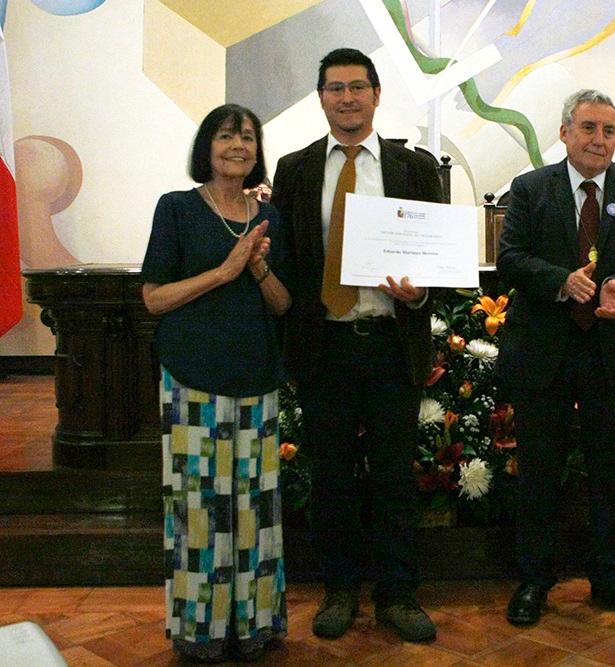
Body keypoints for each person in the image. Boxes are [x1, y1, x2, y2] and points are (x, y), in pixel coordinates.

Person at [270, 48, 443, 643]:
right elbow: (289, 265)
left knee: (396, 477)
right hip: (326, 347)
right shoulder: (293, 171)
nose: (347, 98)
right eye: (335, 88)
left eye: (357, 87)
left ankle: (398, 594)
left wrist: (419, 293)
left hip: (392, 343)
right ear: (321, 98)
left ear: (376, 94)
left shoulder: (414, 168)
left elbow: (437, 262)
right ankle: (339, 590)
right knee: (332, 478)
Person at [496, 89, 615, 626]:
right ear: (565, 131)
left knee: (608, 472)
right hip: (544, 353)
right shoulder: (529, 189)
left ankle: (610, 577)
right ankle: (534, 581)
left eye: (609, 131)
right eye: (589, 128)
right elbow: (509, 258)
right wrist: (559, 282)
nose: (600, 139)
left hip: (611, 353)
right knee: (540, 474)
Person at [141, 104, 291, 662]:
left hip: (257, 378)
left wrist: (257, 271)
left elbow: (282, 305)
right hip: (193, 379)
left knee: (255, 508)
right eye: (227, 136)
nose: (239, 146)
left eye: (248, 137)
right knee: (199, 509)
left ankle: (255, 625)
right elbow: (154, 297)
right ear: (207, 147)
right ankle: (199, 631)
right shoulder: (177, 209)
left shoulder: (271, 217)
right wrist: (225, 271)